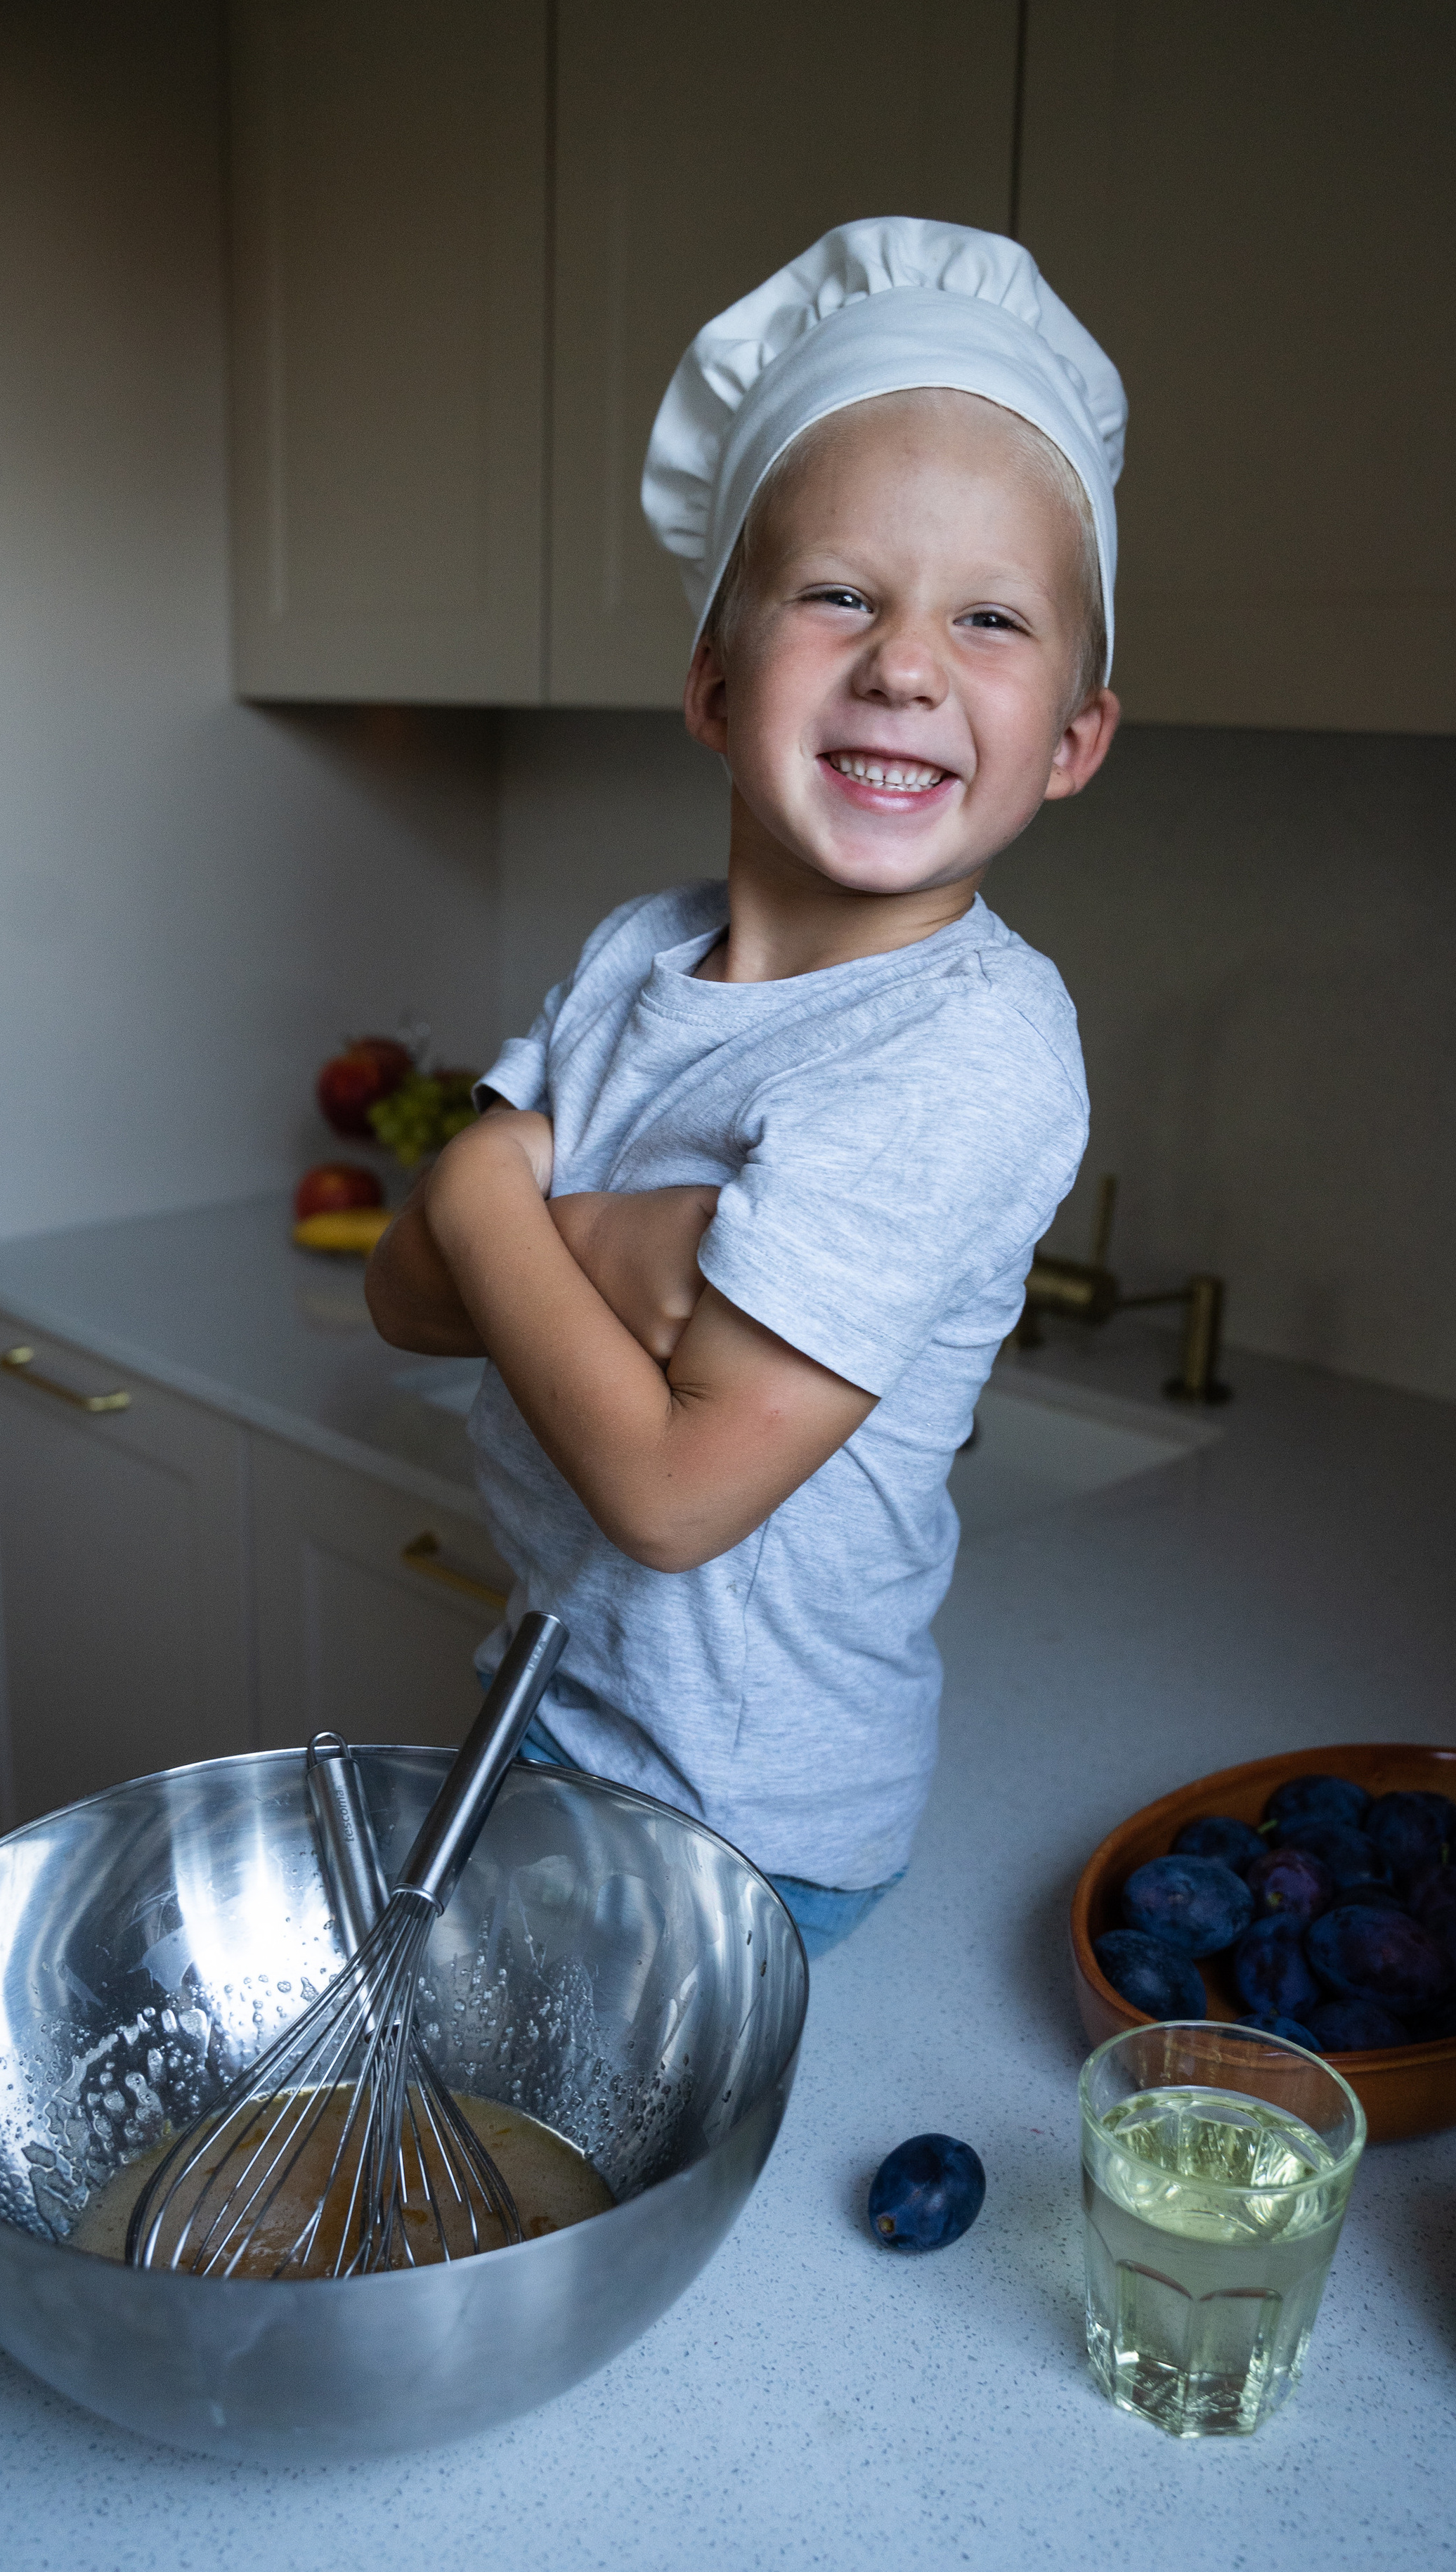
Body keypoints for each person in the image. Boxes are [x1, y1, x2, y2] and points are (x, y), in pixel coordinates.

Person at [368, 219, 1124, 1956]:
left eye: (991, 618)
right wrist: (618, 1248)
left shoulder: (965, 1046)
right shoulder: (643, 949)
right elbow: (407, 1297)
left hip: (742, 1817)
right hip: (547, 1706)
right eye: (839, 591)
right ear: (715, 682)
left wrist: (499, 1192)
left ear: (1073, 738)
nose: (906, 663)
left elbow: (675, 1493)